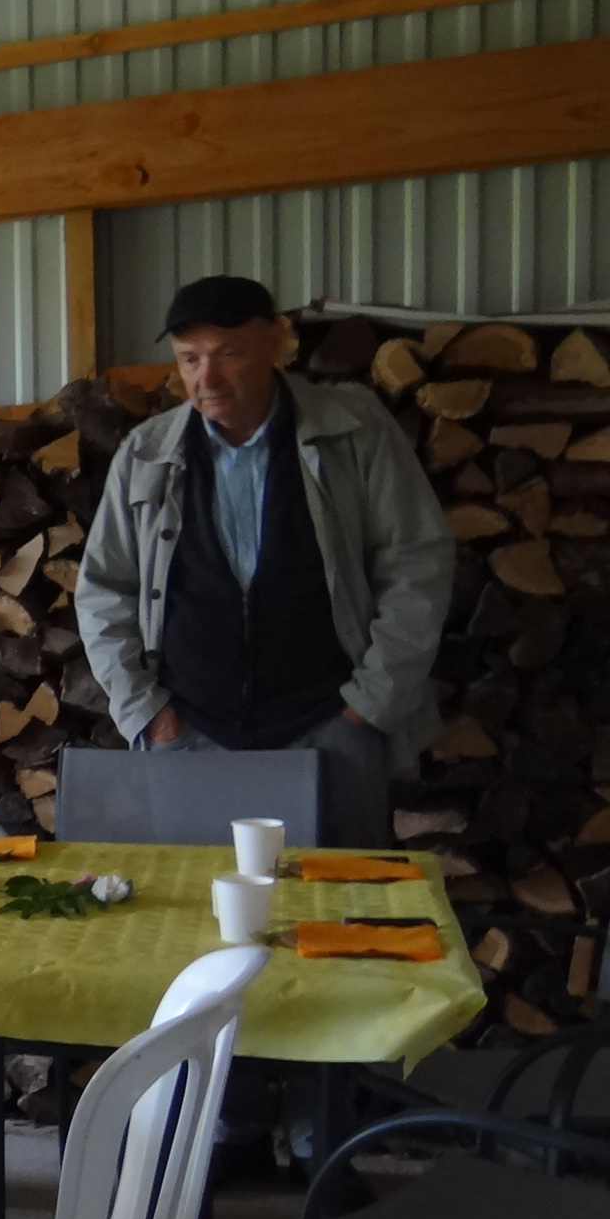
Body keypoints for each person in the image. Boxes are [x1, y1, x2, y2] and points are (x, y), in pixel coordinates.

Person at [76, 277, 452, 847]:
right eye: (190, 359)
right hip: (190, 735)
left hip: (331, 731)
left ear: (275, 343)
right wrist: (150, 716)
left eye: (228, 354)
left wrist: (368, 708)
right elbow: (103, 589)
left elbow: (417, 563)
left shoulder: (352, 431)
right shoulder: (147, 453)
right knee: (196, 918)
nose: (208, 377)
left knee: (332, 917)